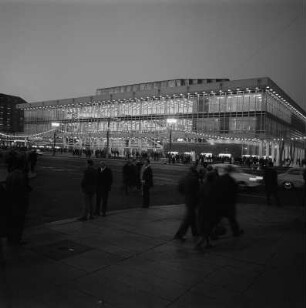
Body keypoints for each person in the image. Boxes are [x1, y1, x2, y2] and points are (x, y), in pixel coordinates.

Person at [5, 157, 32, 245]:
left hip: (10, 201)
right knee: (19, 222)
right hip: (19, 202)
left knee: (12, 221)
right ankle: (16, 240)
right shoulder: (22, 175)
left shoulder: (11, 174)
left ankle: (10, 238)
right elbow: (23, 189)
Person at [213, 164, 243, 237]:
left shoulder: (220, 179)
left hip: (220, 202)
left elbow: (215, 190)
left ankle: (214, 233)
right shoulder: (231, 180)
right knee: (232, 219)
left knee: (217, 219)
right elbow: (235, 191)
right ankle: (236, 232)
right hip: (229, 203)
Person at [174, 165, 200, 241]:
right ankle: (179, 234)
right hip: (193, 200)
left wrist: (185, 194)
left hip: (187, 199)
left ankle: (195, 231)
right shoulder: (195, 179)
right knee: (188, 218)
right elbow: (198, 190)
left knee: (192, 216)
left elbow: (179, 188)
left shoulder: (183, 178)